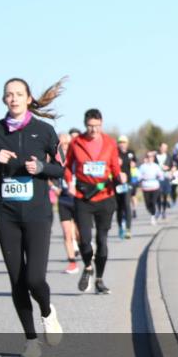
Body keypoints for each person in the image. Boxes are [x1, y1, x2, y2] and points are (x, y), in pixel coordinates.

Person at [0, 78, 66, 357]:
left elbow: (60, 169)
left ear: (28, 98)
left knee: (35, 278)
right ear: (4, 100)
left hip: (38, 213)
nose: (13, 98)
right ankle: (30, 341)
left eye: (18, 94)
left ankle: (48, 311)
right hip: (7, 215)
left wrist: (41, 167)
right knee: (17, 280)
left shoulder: (45, 131)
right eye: (8, 95)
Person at [64, 108, 124, 295]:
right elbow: (67, 167)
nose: (93, 130)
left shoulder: (110, 143)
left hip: (105, 196)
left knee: (102, 240)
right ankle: (88, 266)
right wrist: (70, 183)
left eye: (97, 126)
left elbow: (114, 166)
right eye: (90, 126)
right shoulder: (76, 143)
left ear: (102, 124)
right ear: (85, 125)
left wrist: (120, 177)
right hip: (83, 197)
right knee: (85, 240)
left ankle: (99, 279)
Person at [54, 132, 80, 275]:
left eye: (66, 144)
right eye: (61, 144)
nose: (64, 147)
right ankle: (72, 263)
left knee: (78, 233)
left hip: (77, 199)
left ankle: (86, 249)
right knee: (66, 233)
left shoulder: (76, 159)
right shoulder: (54, 159)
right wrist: (54, 188)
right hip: (63, 199)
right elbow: (47, 176)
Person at [115, 135, 136, 239]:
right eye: (120, 142)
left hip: (127, 183)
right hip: (117, 183)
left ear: (127, 143)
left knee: (127, 205)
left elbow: (134, 163)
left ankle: (128, 229)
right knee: (119, 207)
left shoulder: (130, 153)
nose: (122, 144)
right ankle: (120, 227)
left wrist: (133, 164)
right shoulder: (115, 153)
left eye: (124, 142)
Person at [136, 151, 165, 224]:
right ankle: (153, 212)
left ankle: (153, 216)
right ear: (146, 158)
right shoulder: (142, 166)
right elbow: (138, 175)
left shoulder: (156, 166)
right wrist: (141, 177)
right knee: (147, 204)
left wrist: (160, 176)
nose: (150, 158)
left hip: (155, 186)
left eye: (151, 157)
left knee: (153, 201)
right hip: (146, 186)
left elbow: (161, 176)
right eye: (148, 157)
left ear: (153, 158)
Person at [155, 142, 173, 217]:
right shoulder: (155, 156)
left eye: (165, 148)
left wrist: (168, 168)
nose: (163, 149)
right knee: (158, 194)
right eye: (162, 147)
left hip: (166, 176)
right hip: (157, 177)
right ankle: (159, 210)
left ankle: (164, 211)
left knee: (165, 194)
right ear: (159, 147)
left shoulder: (168, 156)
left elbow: (172, 166)